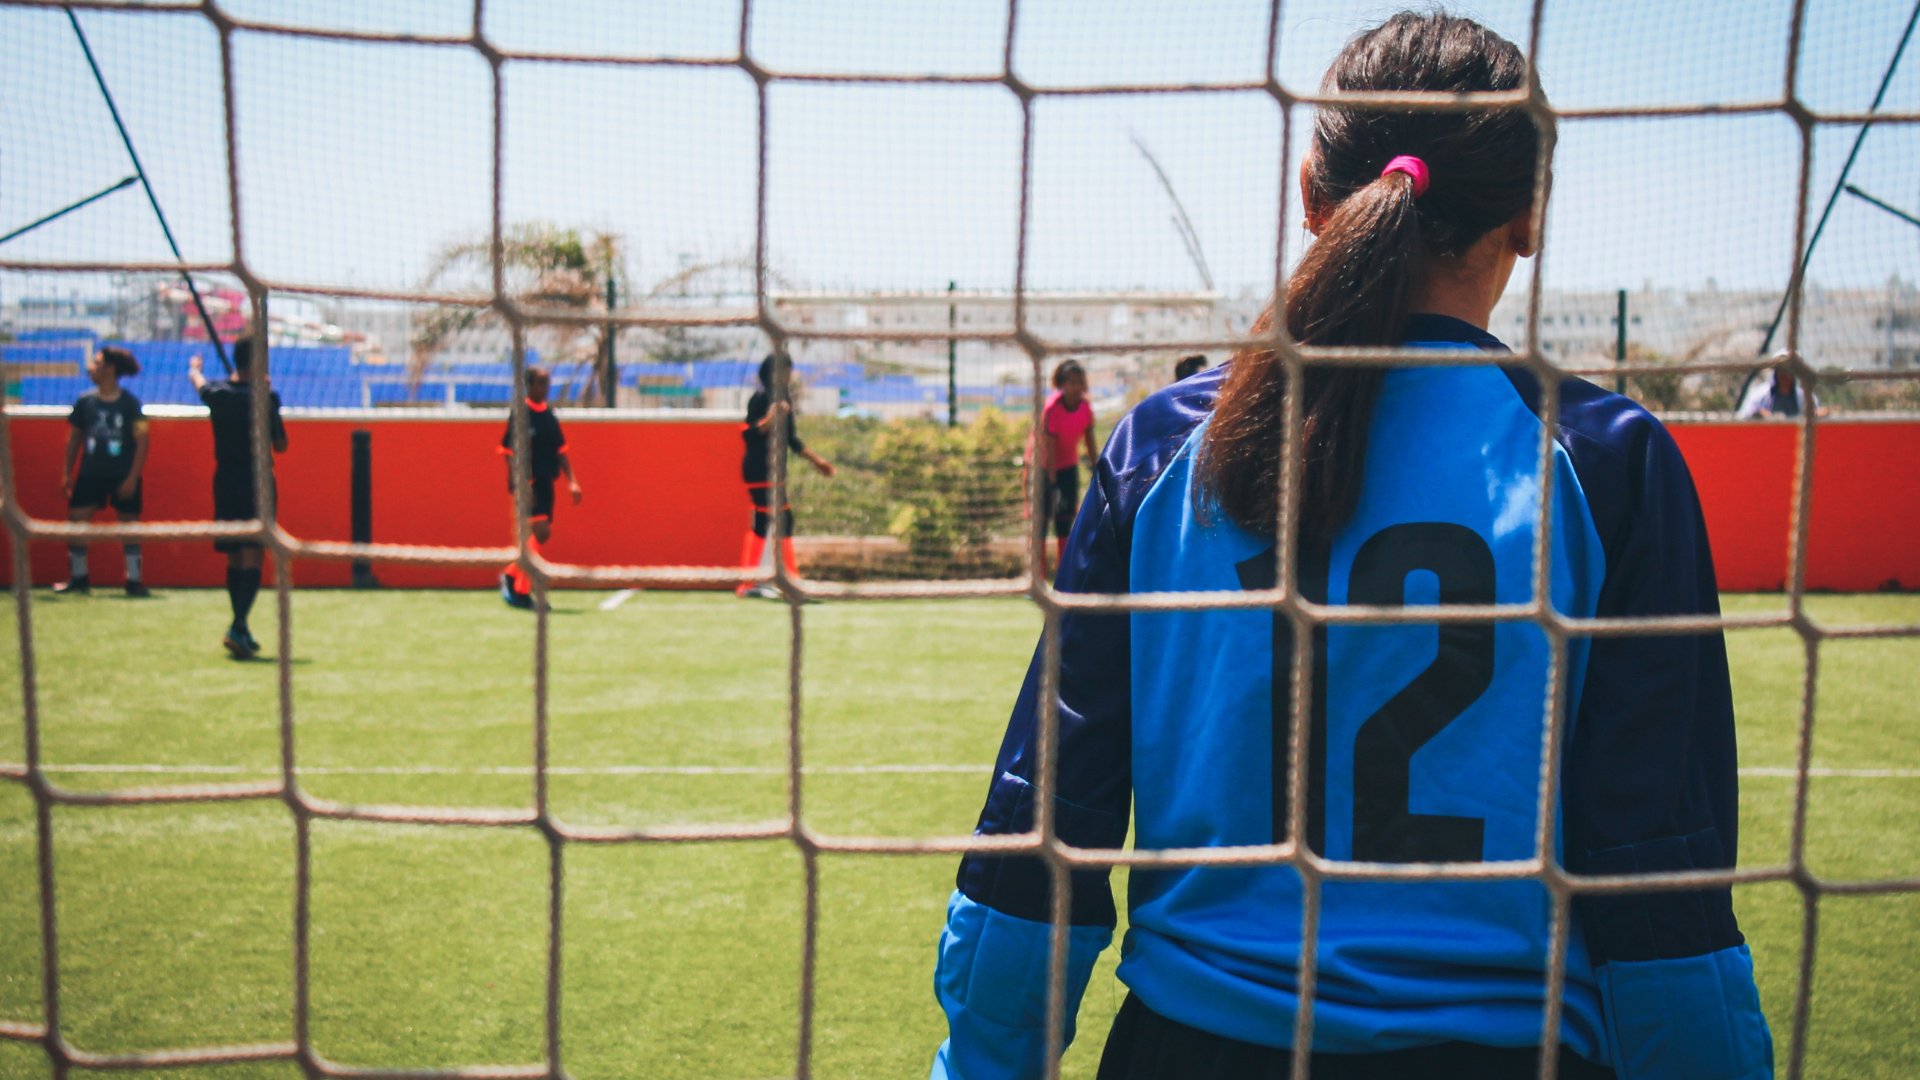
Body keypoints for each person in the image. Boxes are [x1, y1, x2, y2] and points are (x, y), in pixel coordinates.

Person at [931, 12, 1770, 1080]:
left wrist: (983, 1066)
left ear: (1311, 196)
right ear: (1528, 217)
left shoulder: (1161, 447)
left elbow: (1044, 826)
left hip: (1197, 1050)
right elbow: (1660, 872)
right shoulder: (1607, 464)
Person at [189, 341, 287, 659]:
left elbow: (200, 385)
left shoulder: (219, 395)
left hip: (226, 480)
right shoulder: (266, 398)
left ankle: (241, 628)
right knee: (253, 553)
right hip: (258, 481)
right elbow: (281, 444)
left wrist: (195, 370)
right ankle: (239, 624)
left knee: (233, 555)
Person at [737, 353, 833, 599]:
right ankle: (788, 582)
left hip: (775, 471)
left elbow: (791, 439)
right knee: (783, 521)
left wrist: (817, 461)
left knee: (765, 523)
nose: (789, 374)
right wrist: (770, 419)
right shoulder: (760, 398)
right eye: (784, 369)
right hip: (760, 469)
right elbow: (749, 433)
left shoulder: (784, 399)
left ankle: (749, 583)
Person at [56, 346, 150, 597]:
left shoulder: (131, 403)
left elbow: (143, 440)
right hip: (91, 473)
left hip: (122, 473)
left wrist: (132, 477)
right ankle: (78, 578)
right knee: (76, 520)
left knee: (129, 525)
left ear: (110, 368)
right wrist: (66, 472)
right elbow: (74, 438)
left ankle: (134, 581)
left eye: (96, 363)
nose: (91, 368)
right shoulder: (85, 401)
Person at [498, 367, 582, 609]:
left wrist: (572, 481)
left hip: (546, 482)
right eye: (541, 383)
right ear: (530, 386)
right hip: (529, 485)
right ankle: (516, 582)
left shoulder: (548, 415)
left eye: (547, 383)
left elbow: (561, 450)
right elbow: (508, 452)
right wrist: (522, 483)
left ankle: (515, 579)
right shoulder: (521, 414)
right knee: (540, 533)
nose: (545, 388)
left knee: (540, 536)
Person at [1031, 359, 1098, 575]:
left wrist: (1097, 467)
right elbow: (1047, 448)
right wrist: (1051, 481)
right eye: (1070, 383)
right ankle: (1037, 576)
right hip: (1045, 470)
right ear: (1061, 384)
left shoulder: (1085, 408)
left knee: (1065, 523)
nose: (1076, 387)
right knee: (1040, 525)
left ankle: (1063, 575)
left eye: (1079, 382)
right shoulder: (1053, 408)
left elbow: (1089, 440)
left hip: (1068, 469)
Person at [1736, 365, 1824, 419]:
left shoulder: (1805, 396)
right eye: (1781, 370)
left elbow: (1819, 412)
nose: (1784, 374)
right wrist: (1758, 414)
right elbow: (1743, 416)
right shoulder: (1759, 394)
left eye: (1788, 370)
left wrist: (1816, 414)